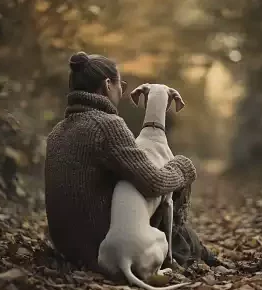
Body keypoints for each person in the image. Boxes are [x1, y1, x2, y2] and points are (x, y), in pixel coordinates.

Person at [44, 51, 219, 272]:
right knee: (169, 184)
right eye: (121, 85)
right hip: (101, 248)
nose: (122, 91)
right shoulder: (107, 125)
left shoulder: (57, 132)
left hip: (66, 247)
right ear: (108, 85)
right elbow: (153, 182)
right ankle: (192, 252)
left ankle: (197, 250)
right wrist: (182, 166)